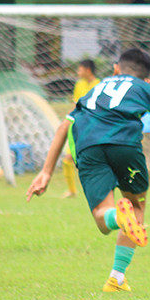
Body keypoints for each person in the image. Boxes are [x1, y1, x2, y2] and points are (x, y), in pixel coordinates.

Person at [25, 48, 150, 291]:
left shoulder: (96, 89)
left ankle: (116, 220)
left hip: (88, 146)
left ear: (115, 69)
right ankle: (117, 276)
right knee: (135, 206)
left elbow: (63, 126)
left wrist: (46, 172)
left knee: (103, 219)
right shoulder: (145, 88)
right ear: (147, 79)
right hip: (125, 146)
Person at [61, 59, 100, 198]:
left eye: (80, 69)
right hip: (80, 126)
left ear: (88, 70)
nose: (78, 72)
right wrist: (70, 119)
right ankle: (71, 191)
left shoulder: (100, 85)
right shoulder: (79, 84)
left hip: (95, 129)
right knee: (67, 158)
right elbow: (75, 104)